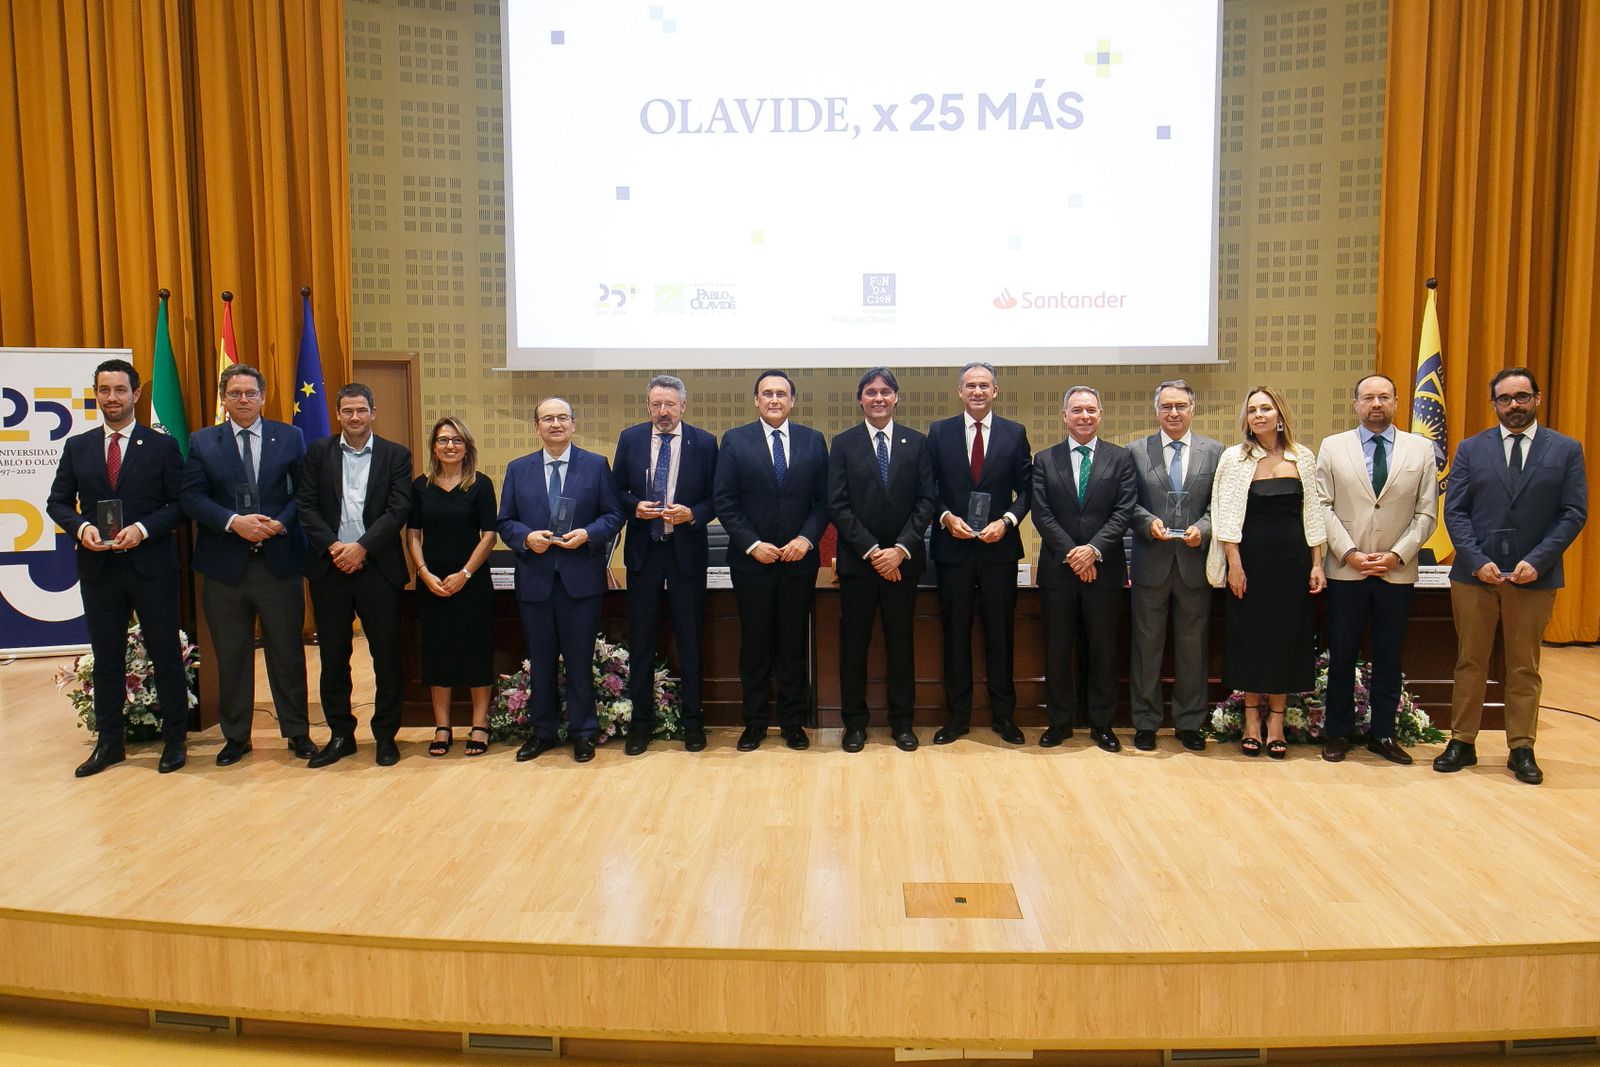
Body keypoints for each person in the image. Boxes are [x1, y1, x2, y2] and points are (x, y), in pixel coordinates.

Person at [1434, 368, 1587, 785]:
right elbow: (1456, 510)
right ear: (1494, 404)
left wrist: (1539, 559)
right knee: (1470, 661)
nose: (1513, 405)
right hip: (1475, 574)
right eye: (1505, 399)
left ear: (1537, 398)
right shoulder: (1470, 449)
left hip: (1533, 576)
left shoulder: (1566, 449)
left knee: (1524, 666)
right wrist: (1475, 557)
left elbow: (1573, 513)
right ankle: (1462, 741)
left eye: (1522, 397)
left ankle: (1521, 746)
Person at [48, 358, 191, 776]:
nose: (112, 398)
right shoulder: (78, 446)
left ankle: (175, 741)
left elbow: (180, 504)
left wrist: (144, 529)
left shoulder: (162, 446)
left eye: (120, 390)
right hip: (99, 569)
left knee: (166, 655)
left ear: (136, 394)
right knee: (106, 658)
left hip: (152, 568)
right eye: (104, 390)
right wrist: (82, 527)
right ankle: (109, 744)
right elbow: (57, 502)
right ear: (96, 394)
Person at [180, 364, 313, 767]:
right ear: (223, 399)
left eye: (250, 393)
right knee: (232, 655)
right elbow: (192, 497)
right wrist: (233, 522)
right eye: (234, 393)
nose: (242, 400)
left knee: (287, 653)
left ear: (263, 397)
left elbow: (305, 492)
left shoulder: (290, 436)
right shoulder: (203, 442)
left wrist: (280, 523)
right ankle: (236, 737)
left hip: (279, 562)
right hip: (225, 567)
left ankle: (297, 732)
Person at [1314, 373, 1439, 765]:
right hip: (1346, 570)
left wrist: (1398, 554)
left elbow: (1426, 513)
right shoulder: (1333, 447)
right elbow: (1322, 505)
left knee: (1389, 655)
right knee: (1342, 654)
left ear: (1397, 402)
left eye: (1384, 397)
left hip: (1395, 571)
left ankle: (1383, 734)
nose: (1376, 405)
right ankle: (1337, 732)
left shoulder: (1421, 449)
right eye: (1368, 398)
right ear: (1355, 404)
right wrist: (1348, 552)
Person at [497, 397, 624, 764]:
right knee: (541, 661)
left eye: (562, 417)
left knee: (580, 661)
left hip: (580, 581)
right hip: (536, 581)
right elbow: (504, 521)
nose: (555, 424)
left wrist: (588, 533)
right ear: (536, 426)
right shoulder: (518, 469)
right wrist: (525, 538)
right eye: (547, 418)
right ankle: (543, 732)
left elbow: (614, 515)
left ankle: (584, 732)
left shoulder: (596, 465)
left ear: (573, 423)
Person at [296, 383, 414, 768]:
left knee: (386, 656)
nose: (355, 417)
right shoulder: (318, 452)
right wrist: (335, 548)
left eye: (361, 410)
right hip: (330, 568)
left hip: (377, 568)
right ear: (337, 414)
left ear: (373, 412)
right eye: (347, 411)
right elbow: (306, 507)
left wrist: (361, 547)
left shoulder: (396, 455)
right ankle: (341, 734)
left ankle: (385, 736)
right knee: (333, 657)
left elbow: (397, 510)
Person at [712, 370, 829, 752]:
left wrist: (806, 539)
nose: (774, 400)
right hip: (753, 563)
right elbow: (724, 501)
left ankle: (794, 723)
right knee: (755, 644)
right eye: (767, 394)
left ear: (792, 401)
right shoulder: (734, 440)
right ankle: (756, 722)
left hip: (798, 562)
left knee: (794, 644)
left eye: (781, 394)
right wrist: (752, 544)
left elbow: (823, 501)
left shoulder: (813, 441)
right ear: (756, 400)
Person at [1207, 386, 1326, 759]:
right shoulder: (1234, 458)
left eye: (1266, 408)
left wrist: (1318, 563)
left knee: (1285, 640)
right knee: (1251, 640)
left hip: (1292, 564)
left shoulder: (1302, 456)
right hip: (1250, 563)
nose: (1259, 415)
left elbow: (1313, 514)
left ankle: (1277, 721)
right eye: (1252, 410)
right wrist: (1234, 564)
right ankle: (1251, 721)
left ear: (1280, 414)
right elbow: (1225, 515)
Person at [827, 367, 935, 752]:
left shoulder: (917, 443)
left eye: (885, 392)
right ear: (860, 399)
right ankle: (854, 724)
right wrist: (873, 551)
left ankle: (901, 723)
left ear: (896, 398)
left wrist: (900, 549)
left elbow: (926, 502)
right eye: (870, 392)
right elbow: (837, 504)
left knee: (900, 644)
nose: (878, 398)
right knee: (854, 646)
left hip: (903, 564)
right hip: (859, 564)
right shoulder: (842, 443)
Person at [926, 362, 1033, 746]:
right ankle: (957, 718)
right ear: (959, 391)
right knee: (955, 635)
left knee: (999, 635)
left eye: (984, 385)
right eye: (970, 385)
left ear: (995, 391)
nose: (977, 392)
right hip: (953, 548)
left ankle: (1004, 717)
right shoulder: (939, 432)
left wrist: (1006, 520)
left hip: (997, 550)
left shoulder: (1014, 433)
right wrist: (944, 515)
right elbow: (928, 487)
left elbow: (1027, 490)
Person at [613, 375, 717, 754]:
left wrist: (692, 513)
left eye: (669, 405)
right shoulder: (630, 438)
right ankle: (641, 724)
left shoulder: (704, 443)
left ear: (683, 406)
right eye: (656, 404)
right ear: (648, 406)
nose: (663, 412)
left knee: (689, 641)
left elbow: (717, 498)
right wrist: (633, 507)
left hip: (685, 552)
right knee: (642, 642)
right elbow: (615, 491)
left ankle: (693, 723)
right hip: (645, 553)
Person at [1031, 385, 1136, 753]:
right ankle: (1058, 722)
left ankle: (1101, 724)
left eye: (1091, 409)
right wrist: (1074, 554)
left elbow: (1123, 512)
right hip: (1058, 572)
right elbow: (1042, 514)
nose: (1084, 416)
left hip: (1104, 571)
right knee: (1058, 649)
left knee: (1103, 649)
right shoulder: (1044, 459)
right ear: (1064, 417)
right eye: (1076, 410)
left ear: (1101, 414)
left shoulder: (1121, 459)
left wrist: (1092, 551)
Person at [1127, 379, 1222, 753]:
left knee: (1192, 648)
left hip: (1195, 566)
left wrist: (1203, 528)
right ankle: (1146, 723)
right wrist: (1147, 523)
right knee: (1146, 648)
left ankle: (1189, 723)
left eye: (1180, 405)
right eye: (1166, 406)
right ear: (1156, 411)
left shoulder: (1215, 452)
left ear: (1192, 408)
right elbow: (1127, 504)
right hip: (1151, 563)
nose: (1173, 413)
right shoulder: (1135, 451)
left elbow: (1221, 505)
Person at [406, 416, 498, 758]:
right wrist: (424, 572)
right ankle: (442, 726)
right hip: (431, 583)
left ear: (467, 447)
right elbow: (412, 535)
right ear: (433, 446)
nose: (450, 446)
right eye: (443, 440)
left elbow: (489, 535)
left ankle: (479, 725)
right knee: (436, 653)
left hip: (471, 582)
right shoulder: (420, 486)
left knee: (476, 651)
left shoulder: (481, 485)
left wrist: (465, 573)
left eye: (457, 440)